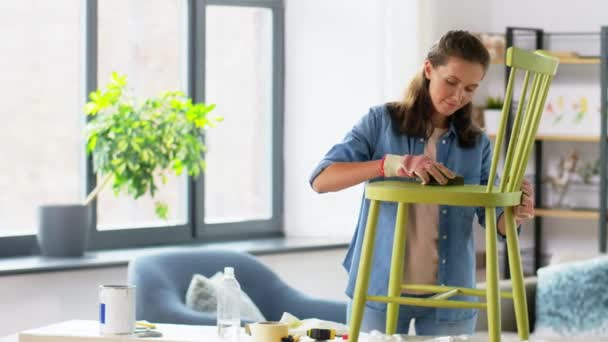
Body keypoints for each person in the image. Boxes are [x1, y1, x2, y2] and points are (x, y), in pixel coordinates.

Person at [309, 30, 535, 336]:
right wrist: (391, 164)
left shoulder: (477, 142)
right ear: (429, 69)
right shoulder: (381, 122)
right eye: (451, 82)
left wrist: (515, 211)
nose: (458, 97)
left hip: (451, 291)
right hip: (381, 284)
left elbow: (494, 221)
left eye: (470, 88)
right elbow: (322, 180)